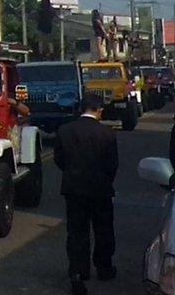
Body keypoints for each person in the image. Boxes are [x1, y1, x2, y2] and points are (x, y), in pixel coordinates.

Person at [54, 91, 118, 295]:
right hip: (100, 189)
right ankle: (104, 267)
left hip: (74, 189)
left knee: (77, 233)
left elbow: (59, 160)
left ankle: (78, 275)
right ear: (99, 110)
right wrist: (105, 180)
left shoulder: (64, 131)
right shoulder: (107, 133)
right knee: (103, 230)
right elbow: (112, 164)